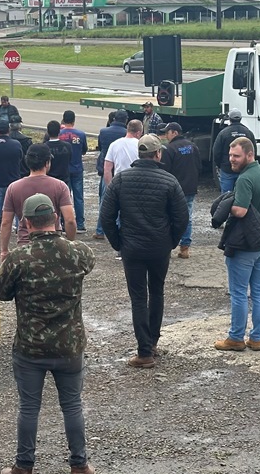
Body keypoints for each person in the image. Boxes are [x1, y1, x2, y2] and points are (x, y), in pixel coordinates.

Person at [0, 194, 97, 474]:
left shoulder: (18, 259)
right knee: (72, 405)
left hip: (30, 347)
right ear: (56, 218)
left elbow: (0, 292)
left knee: (29, 407)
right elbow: (88, 265)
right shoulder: (78, 252)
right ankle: (79, 466)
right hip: (70, 345)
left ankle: (24, 469)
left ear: (25, 223)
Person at [100, 135, 188, 368]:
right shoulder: (169, 181)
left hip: (132, 247)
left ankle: (144, 351)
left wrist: (118, 242)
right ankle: (154, 341)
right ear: (158, 154)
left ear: (140, 154)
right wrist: (171, 241)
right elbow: (182, 217)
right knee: (157, 292)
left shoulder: (121, 180)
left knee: (138, 297)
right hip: (159, 247)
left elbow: (106, 216)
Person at [214, 138, 260, 352]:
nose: (231, 160)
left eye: (236, 156)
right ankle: (256, 338)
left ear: (249, 154)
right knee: (259, 291)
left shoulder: (245, 179)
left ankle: (236, 337)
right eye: (230, 156)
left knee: (238, 292)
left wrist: (229, 204)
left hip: (245, 245)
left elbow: (241, 211)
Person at [0, 144, 76, 259]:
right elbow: (69, 220)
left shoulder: (13, 188)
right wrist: (70, 245)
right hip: (54, 244)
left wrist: (4, 250)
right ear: (47, 163)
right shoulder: (60, 186)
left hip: (25, 245)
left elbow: (6, 222)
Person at [159, 122, 202, 259]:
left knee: (170, 217)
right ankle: (185, 248)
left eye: (167, 132)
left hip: (175, 189)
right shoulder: (193, 146)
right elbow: (199, 166)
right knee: (187, 218)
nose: (166, 135)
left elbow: (165, 171)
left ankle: (168, 245)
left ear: (175, 133)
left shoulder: (169, 149)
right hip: (190, 188)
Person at [0, 120, 23, 253]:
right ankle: (22, 239)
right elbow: (20, 158)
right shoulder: (16, 144)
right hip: (13, 182)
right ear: (8, 130)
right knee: (19, 213)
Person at [94, 110, 128, 240]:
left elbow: (100, 146)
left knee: (104, 200)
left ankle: (100, 230)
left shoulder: (104, 131)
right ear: (125, 120)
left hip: (106, 167)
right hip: (119, 169)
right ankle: (118, 228)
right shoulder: (125, 134)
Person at [212, 109, 256, 192]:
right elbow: (253, 151)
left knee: (226, 197)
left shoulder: (223, 133)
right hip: (244, 170)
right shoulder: (248, 132)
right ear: (240, 118)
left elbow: (216, 152)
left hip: (227, 169)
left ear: (229, 119)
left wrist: (220, 165)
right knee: (243, 194)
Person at [58, 111, 88, 232]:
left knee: (64, 198)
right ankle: (80, 223)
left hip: (63, 169)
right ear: (74, 120)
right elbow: (84, 150)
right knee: (78, 197)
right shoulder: (80, 134)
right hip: (77, 168)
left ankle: (64, 223)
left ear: (63, 120)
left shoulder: (59, 134)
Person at [44, 120, 72, 187]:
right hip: (64, 180)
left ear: (48, 132)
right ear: (59, 131)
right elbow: (69, 160)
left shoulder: (44, 147)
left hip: (49, 181)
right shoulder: (67, 146)